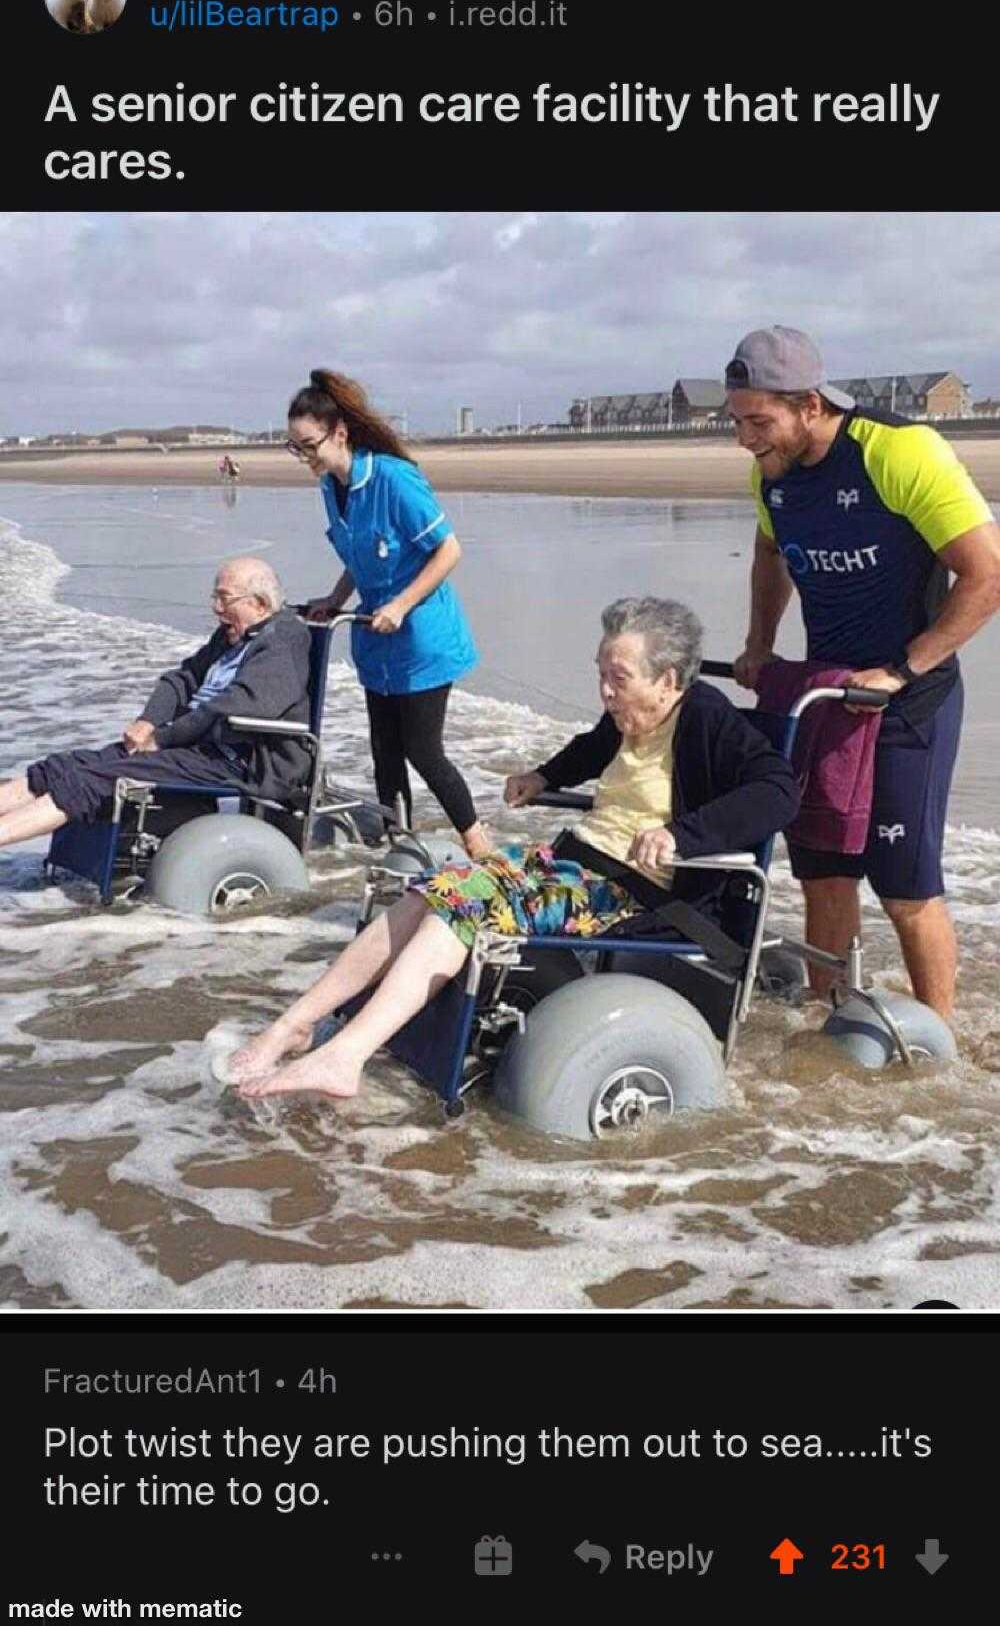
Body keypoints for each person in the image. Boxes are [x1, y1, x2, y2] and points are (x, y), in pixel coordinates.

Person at [226, 596, 799, 1102]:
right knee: (427, 894)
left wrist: (682, 836)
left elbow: (778, 792)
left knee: (463, 908)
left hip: (629, 891)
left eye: (618, 678)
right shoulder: (630, 718)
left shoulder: (707, 719)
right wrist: (544, 776)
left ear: (669, 681)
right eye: (601, 675)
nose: (604, 691)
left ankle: (345, 1058)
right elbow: (592, 747)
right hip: (576, 867)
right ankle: (297, 1024)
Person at [725, 325, 1000, 1016]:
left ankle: (938, 1046)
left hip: (913, 701)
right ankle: (831, 1023)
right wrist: (760, 641)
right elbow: (770, 553)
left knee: (905, 886)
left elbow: (987, 575)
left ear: (810, 404)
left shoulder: (898, 451)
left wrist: (901, 671)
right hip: (826, 701)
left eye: (759, 421)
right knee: (823, 873)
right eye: (736, 421)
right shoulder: (774, 477)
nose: (744, 439)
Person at [286, 369, 490, 859]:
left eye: (309, 446)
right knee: (384, 751)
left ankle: (479, 844)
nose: (304, 458)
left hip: (422, 637)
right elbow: (359, 556)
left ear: (339, 434)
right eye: (295, 448)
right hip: (374, 639)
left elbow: (449, 550)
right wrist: (335, 600)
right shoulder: (329, 487)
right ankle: (397, 847)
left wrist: (400, 605)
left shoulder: (395, 479)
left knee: (423, 749)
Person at [0, 558, 311, 851]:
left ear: (258, 604)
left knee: (88, 782)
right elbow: (182, 679)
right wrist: (149, 720)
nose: (216, 609)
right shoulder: (232, 635)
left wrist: (163, 739)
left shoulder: (283, 639)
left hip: (234, 759)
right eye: (214, 598)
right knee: (59, 769)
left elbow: (238, 705)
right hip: (194, 746)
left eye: (224, 599)